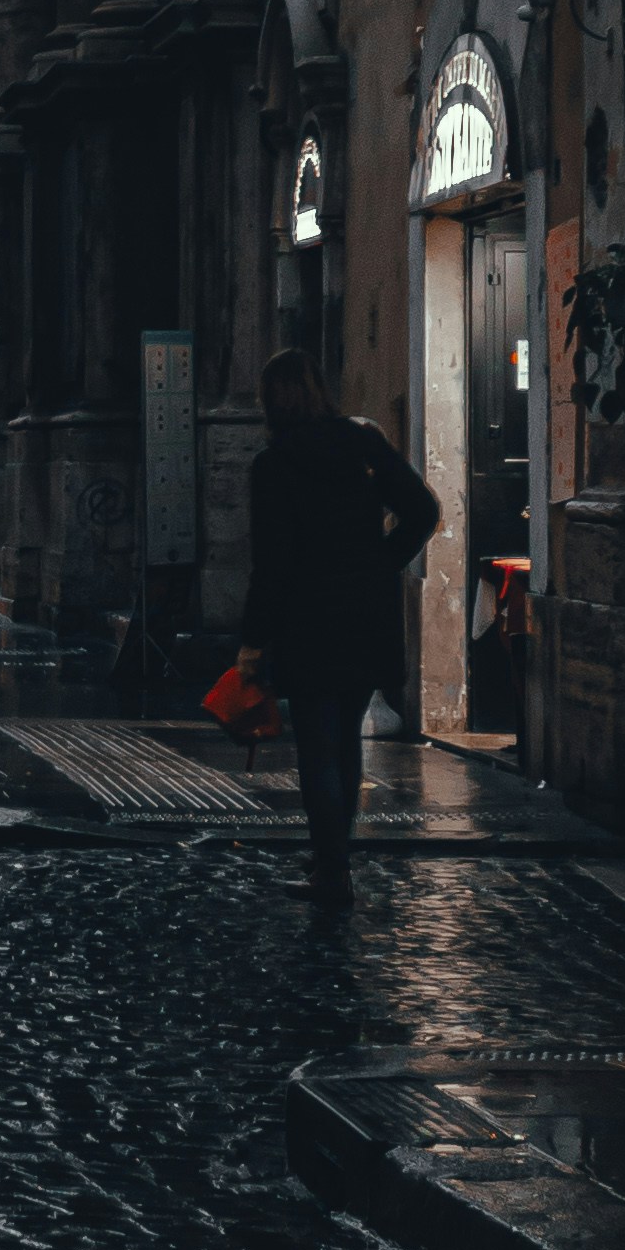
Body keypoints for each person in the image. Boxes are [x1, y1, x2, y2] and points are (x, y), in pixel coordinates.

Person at [236, 349, 441, 912]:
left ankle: (332, 870)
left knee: (318, 751)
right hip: (366, 614)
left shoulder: (275, 465)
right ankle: (335, 856)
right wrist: (381, 562)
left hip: (309, 619)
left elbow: (272, 565)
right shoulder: (364, 443)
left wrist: (253, 640)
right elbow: (423, 511)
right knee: (345, 741)